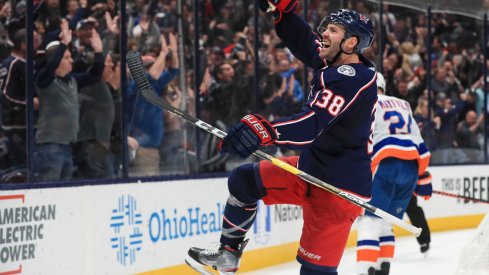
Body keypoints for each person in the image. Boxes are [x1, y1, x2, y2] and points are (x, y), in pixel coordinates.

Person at [187, 6, 377, 275]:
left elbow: (312, 124)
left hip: (338, 190)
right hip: (310, 169)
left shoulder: (352, 79)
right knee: (244, 181)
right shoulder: (335, 60)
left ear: (351, 43)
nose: (323, 33)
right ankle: (228, 254)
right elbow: (306, 42)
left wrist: (267, 131)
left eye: (332, 30)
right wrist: (285, 15)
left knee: (314, 271)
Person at [355, 73, 432, 275]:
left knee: (369, 222)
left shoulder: (365, 103)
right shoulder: (403, 103)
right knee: (386, 223)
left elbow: (359, 138)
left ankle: (365, 271)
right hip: (411, 168)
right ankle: (382, 268)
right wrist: (422, 176)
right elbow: (419, 140)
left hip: (385, 163)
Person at [34, 19, 104, 182]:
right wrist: (64, 44)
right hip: (50, 146)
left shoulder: (72, 80)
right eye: (66, 58)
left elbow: (94, 75)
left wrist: (99, 53)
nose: (71, 60)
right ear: (57, 61)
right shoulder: (45, 81)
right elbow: (50, 66)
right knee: (48, 192)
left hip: (67, 146)